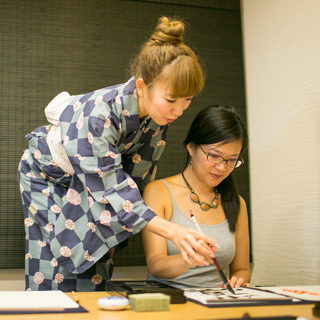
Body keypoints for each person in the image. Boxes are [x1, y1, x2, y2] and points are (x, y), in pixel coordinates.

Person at [18, 16, 218, 292]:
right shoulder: (98, 117)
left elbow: (135, 181)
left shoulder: (158, 117)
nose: (178, 111)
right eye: (171, 100)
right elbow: (112, 192)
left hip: (100, 182)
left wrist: (165, 226)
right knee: (53, 260)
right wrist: (174, 231)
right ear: (140, 86)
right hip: (49, 176)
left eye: (187, 101)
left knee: (97, 253)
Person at [142, 105, 250, 289]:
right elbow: (155, 265)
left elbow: (241, 269)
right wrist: (189, 258)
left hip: (218, 303)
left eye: (232, 160)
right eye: (214, 156)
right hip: (171, 301)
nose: (222, 167)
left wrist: (239, 280)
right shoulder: (158, 192)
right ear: (191, 148)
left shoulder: (237, 203)